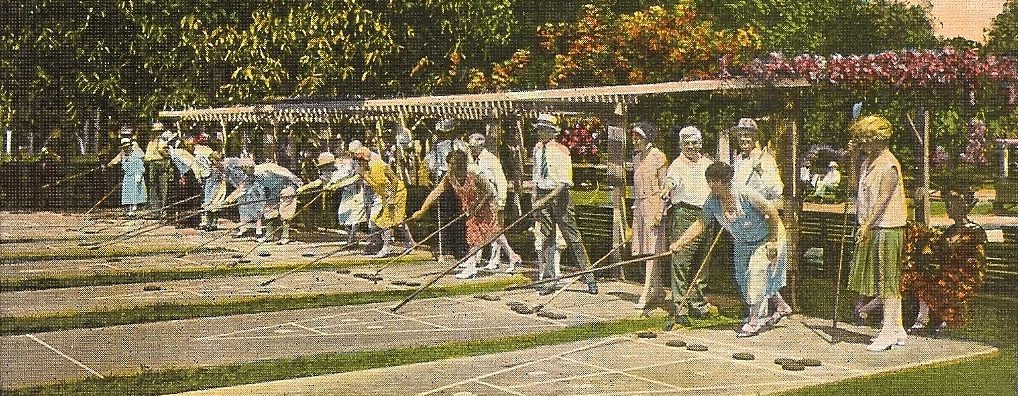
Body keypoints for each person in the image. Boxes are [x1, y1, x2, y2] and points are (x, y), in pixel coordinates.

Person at [670, 162, 787, 338]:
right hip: (742, 242)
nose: (709, 185)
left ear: (724, 181)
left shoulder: (745, 193)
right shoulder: (712, 201)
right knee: (744, 279)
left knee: (757, 272)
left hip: (767, 237)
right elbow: (701, 222)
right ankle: (781, 306)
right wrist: (680, 242)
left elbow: (772, 212)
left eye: (713, 181)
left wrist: (772, 241)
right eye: (708, 180)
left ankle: (753, 321)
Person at [846, 115, 908, 352]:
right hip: (874, 226)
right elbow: (853, 187)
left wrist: (866, 225)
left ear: (877, 139)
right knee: (885, 278)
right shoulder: (868, 162)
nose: (862, 145)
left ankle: (888, 331)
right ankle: (898, 328)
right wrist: (852, 160)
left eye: (864, 140)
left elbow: (883, 200)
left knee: (887, 282)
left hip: (888, 227)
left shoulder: (889, 164)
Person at [902, 187, 987, 337]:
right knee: (914, 276)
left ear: (964, 206)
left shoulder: (975, 231)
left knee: (926, 282)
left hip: (965, 278)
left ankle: (931, 319)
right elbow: (938, 251)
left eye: (953, 203)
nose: (949, 207)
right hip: (947, 275)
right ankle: (925, 317)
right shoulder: (951, 230)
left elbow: (976, 264)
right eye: (948, 203)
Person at [531, 113, 598, 295]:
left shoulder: (562, 151)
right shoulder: (537, 150)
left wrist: (545, 200)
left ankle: (589, 277)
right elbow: (536, 177)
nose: (540, 133)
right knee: (548, 239)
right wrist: (535, 199)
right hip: (543, 195)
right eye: (539, 129)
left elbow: (564, 182)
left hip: (560, 196)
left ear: (552, 132)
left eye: (544, 130)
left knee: (572, 237)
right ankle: (550, 279)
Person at [660, 126, 717, 327]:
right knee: (682, 262)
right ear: (681, 145)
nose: (691, 147)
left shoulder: (708, 164)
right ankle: (680, 307)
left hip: (707, 213)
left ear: (700, 143)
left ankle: (697, 304)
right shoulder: (677, 165)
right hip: (685, 214)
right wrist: (667, 188)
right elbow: (671, 181)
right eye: (687, 143)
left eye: (695, 142)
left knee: (703, 262)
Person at [412, 150, 500, 278]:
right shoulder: (449, 177)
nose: (448, 166)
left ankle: (472, 266)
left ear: (459, 164)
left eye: (451, 163)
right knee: (477, 236)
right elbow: (436, 192)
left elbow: (490, 192)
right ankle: (473, 264)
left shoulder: (473, 174)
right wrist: (422, 210)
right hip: (470, 210)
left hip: (485, 206)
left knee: (488, 235)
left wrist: (476, 206)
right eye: (448, 163)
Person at [468, 132, 522, 272]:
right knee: (484, 229)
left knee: (494, 230)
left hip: (493, 199)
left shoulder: (490, 159)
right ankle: (477, 258)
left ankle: (497, 258)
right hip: (481, 200)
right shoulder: (475, 160)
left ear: (480, 145)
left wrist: (501, 200)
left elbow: (500, 180)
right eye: (470, 146)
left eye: (473, 146)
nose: (471, 149)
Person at [629, 122, 669, 310]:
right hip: (640, 207)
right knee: (646, 250)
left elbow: (665, 189)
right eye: (634, 137)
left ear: (648, 137)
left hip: (654, 206)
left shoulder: (659, 156)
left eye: (639, 137)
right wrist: (636, 205)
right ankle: (658, 289)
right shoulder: (636, 159)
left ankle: (646, 291)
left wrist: (661, 211)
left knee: (653, 252)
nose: (635, 140)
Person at [352, 146, 415, 258]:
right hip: (386, 196)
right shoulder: (364, 172)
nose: (358, 163)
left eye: (359, 161)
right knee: (397, 221)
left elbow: (393, 180)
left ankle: (387, 247)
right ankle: (410, 243)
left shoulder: (378, 165)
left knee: (387, 220)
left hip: (397, 193)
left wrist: (391, 198)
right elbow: (349, 180)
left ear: (365, 160)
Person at [731, 118, 783, 203]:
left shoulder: (766, 159)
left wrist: (760, 171)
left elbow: (777, 191)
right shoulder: (738, 160)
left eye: (747, 136)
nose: (742, 139)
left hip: (760, 211)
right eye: (739, 135)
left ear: (755, 138)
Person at [222, 154, 265, 238]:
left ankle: (258, 231)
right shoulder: (226, 170)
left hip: (253, 190)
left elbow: (243, 185)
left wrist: (229, 198)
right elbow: (232, 182)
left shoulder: (238, 169)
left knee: (256, 211)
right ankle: (243, 229)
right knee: (242, 210)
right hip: (242, 190)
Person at [108, 137, 148, 218]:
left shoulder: (136, 154)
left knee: (135, 193)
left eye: (127, 147)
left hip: (136, 176)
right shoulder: (122, 154)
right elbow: (114, 161)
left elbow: (141, 165)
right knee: (127, 194)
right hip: (127, 177)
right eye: (124, 147)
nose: (126, 148)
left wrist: (139, 174)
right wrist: (109, 164)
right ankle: (129, 210)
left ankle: (134, 210)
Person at [193, 134, 226, 230]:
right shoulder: (208, 151)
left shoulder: (198, 151)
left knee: (209, 199)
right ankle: (211, 223)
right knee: (213, 199)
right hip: (212, 174)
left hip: (207, 175)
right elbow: (216, 162)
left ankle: (209, 222)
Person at [143, 122, 171, 219]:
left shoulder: (163, 140)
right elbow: (147, 156)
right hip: (152, 164)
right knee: (153, 187)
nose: (157, 133)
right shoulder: (151, 142)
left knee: (163, 188)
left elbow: (165, 152)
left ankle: (163, 210)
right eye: (155, 131)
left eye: (158, 131)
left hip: (161, 163)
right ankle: (155, 210)